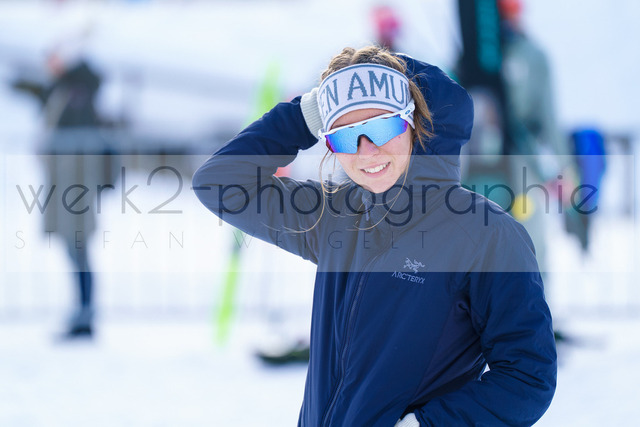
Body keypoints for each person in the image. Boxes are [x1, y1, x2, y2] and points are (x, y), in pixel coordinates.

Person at [193, 46, 556, 426]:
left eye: (382, 127)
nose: (366, 151)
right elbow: (218, 183)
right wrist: (305, 115)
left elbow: (527, 377)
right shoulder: (333, 215)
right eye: (344, 136)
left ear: (414, 123)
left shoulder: (486, 235)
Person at [13, 43, 109, 339]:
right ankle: (82, 314)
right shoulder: (62, 90)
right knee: (74, 250)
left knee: (78, 250)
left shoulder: (78, 90)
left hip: (75, 187)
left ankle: (85, 316)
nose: (49, 63)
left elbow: (90, 86)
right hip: (64, 185)